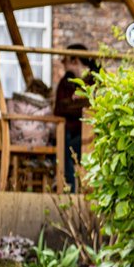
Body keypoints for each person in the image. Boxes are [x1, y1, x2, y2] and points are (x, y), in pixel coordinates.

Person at [54, 43, 99, 192]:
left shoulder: (96, 80)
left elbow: (96, 105)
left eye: (65, 59)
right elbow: (58, 110)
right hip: (71, 132)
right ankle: (70, 187)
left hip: (93, 134)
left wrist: (74, 105)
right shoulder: (65, 83)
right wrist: (79, 106)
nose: (62, 63)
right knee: (64, 139)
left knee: (67, 146)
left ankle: (71, 186)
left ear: (75, 60)